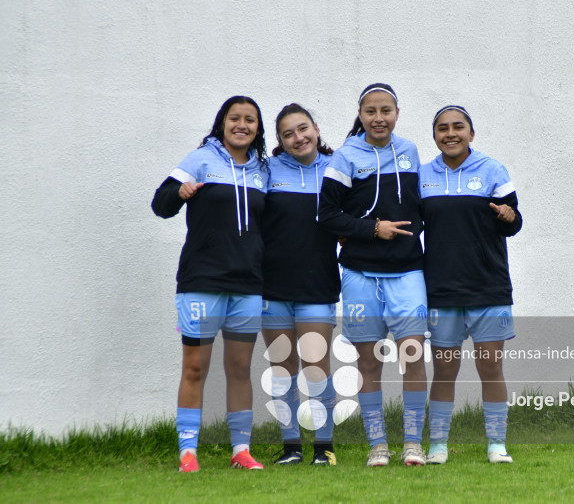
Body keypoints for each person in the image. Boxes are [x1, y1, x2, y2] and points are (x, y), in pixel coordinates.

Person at [151, 96, 269, 473]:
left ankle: (241, 451)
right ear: (222, 123)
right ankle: (188, 451)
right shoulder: (200, 160)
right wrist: (180, 192)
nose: (242, 125)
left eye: (250, 120)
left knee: (239, 370)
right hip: (202, 280)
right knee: (195, 368)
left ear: (257, 129)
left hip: (248, 285)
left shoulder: (262, 170)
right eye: (235, 118)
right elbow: (161, 203)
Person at [318, 83, 428, 466]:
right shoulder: (347, 156)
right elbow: (327, 216)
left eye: (386, 110)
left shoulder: (411, 151)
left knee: (412, 355)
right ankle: (377, 445)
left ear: (397, 112)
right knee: (368, 362)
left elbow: (419, 206)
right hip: (360, 272)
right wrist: (372, 229)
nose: (378, 118)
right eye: (370, 111)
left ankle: (413, 443)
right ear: (360, 114)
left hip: (407, 270)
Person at [419, 105, 522, 464]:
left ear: (471, 134)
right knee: (444, 370)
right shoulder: (422, 177)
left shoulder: (493, 170)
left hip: (487, 288)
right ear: (434, 136)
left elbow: (513, 220)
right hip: (441, 291)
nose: (451, 133)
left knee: (490, 367)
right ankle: (438, 446)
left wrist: (509, 215)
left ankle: (496, 444)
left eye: (458, 127)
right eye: (443, 128)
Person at [261, 103, 340, 466]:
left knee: (316, 368)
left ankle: (324, 448)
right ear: (279, 141)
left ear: (316, 128)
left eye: (303, 128)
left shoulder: (338, 167)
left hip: (318, 286)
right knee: (282, 371)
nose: (298, 138)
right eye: (288, 134)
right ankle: (291, 447)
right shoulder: (267, 170)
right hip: (272, 288)